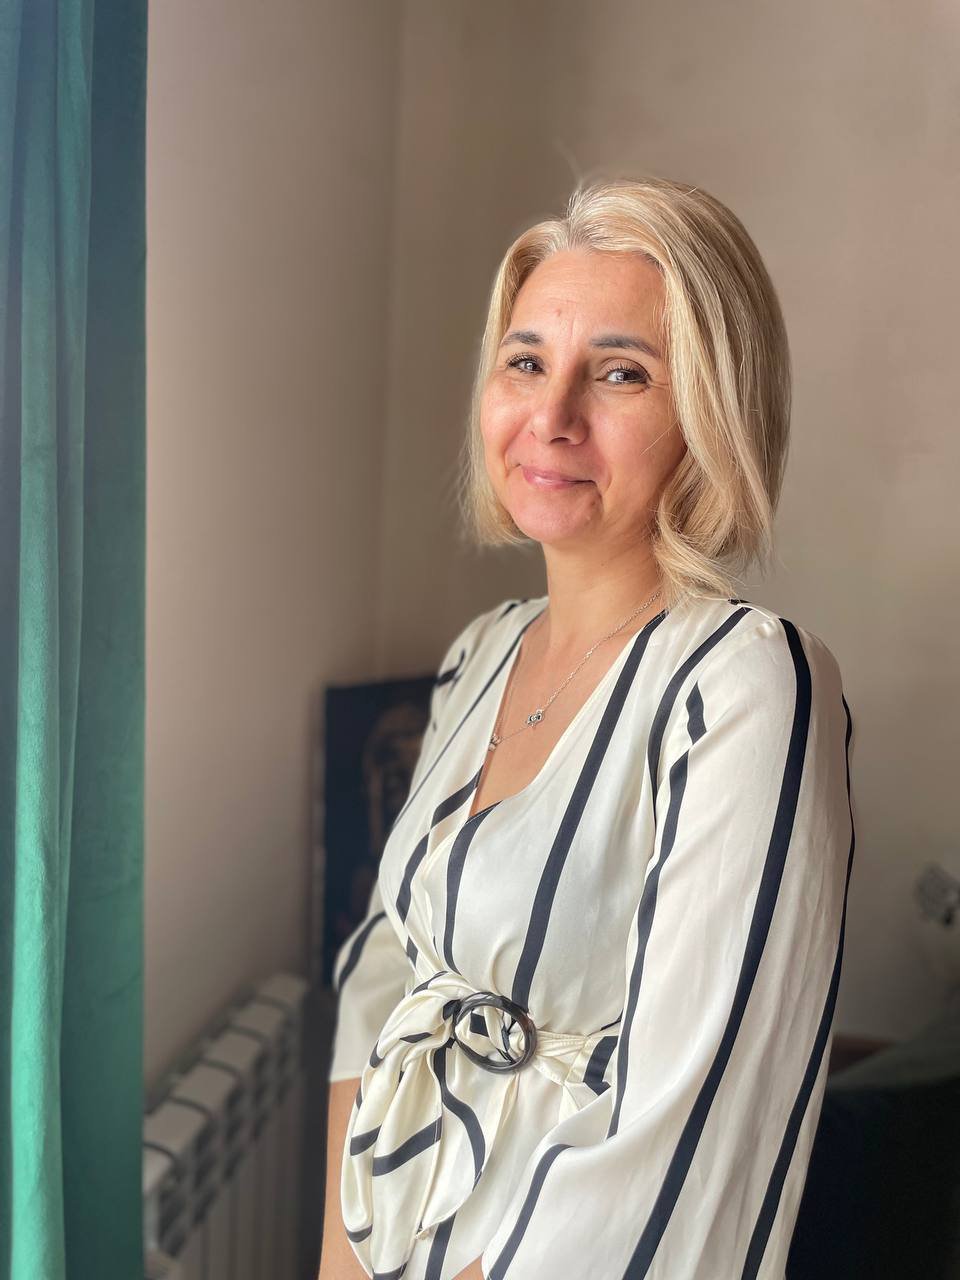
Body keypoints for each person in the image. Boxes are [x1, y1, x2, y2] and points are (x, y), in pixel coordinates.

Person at [317, 175, 856, 1280]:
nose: (551, 415)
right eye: (525, 361)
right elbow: (384, 978)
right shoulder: (481, 653)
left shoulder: (748, 685)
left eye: (620, 373)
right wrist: (338, 1258)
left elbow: (686, 1133)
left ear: (712, 413)